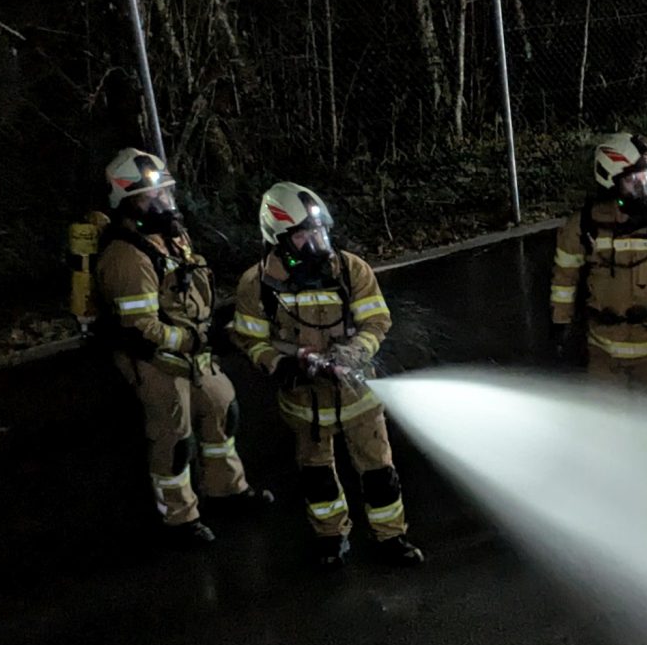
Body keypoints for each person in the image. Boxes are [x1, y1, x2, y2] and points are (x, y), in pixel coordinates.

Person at [229, 182, 423, 569]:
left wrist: (354, 352)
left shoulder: (351, 270)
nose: (316, 241)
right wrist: (281, 364)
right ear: (278, 238)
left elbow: (377, 321)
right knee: (317, 478)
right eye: (304, 234)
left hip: (358, 398)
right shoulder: (257, 285)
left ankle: (391, 537)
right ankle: (331, 537)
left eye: (319, 230)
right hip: (305, 404)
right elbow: (251, 339)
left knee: (379, 473)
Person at [93, 147, 270, 544]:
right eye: (152, 196)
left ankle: (226, 491)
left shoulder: (171, 238)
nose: (164, 202)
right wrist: (192, 339)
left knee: (222, 408)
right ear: (128, 202)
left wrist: (207, 331)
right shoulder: (125, 256)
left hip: (193, 353)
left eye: (165, 192)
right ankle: (179, 518)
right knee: (174, 438)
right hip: (155, 361)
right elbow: (141, 327)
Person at [550, 134, 647, 415]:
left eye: (646, 179)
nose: (643, 187)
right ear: (610, 181)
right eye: (634, 180)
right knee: (608, 430)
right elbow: (564, 280)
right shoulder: (582, 228)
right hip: (604, 350)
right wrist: (561, 324)